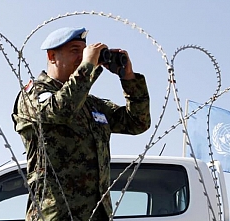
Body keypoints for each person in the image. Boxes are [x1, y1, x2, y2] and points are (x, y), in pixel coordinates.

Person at [12, 27, 151, 221]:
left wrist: (128, 78)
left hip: (96, 215)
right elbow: (60, 111)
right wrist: (87, 66)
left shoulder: (90, 104)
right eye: (75, 51)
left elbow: (137, 122)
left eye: (84, 51)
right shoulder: (33, 94)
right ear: (52, 56)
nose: (83, 56)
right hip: (55, 215)